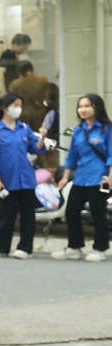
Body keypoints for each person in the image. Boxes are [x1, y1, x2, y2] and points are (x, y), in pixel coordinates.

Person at [0, 92, 50, 259]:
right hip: (7, 180)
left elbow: (35, 148)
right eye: (16, 106)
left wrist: (42, 137)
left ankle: (25, 247)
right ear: (5, 108)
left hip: (27, 179)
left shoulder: (25, 128)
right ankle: (0, 247)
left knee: (28, 215)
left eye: (20, 106)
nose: (19, 109)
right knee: (6, 215)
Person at [52, 94, 112, 261]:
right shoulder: (78, 130)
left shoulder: (107, 129)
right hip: (80, 178)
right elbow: (72, 157)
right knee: (71, 211)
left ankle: (100, 249)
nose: (83, 110)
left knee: (97, 213)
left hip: (100, 178)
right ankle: (74, 246)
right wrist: (64, 178)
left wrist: (110, 177)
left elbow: (111, 156)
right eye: (80, 106)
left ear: (97, 108)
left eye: (87, 106)